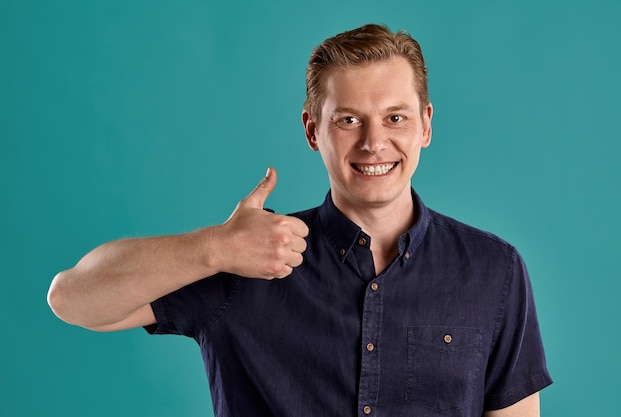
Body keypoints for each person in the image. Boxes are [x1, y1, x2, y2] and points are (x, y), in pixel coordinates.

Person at [48, 24, 552, 417]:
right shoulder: (246, 256)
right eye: (348, 119)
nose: (374, 142)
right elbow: (71, 299)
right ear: (313, 130)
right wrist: (216, 249)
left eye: (395, 117)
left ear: (425, 124)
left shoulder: (493, 270)